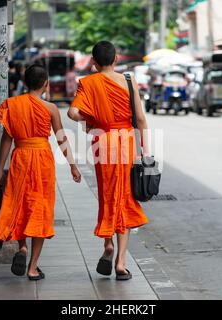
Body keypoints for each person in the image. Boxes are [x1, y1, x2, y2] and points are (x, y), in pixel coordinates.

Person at [68, 41, 149, 281]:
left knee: (107, 194)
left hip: (102, 143)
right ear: (115, 60)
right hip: (126, 143)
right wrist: (145, 152)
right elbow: (141, 120)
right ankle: (121, 263)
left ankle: (108, 244)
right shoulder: (128, 81)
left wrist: (92, 121)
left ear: (93, 62)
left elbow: (73, 113)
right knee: (124, 197)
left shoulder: (88, 83)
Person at [0, 64, 81, 281]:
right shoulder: (51, 108)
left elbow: (7, 139)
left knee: (19, 204)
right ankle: (33, 268)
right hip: (42, 160)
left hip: (20, 157)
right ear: (46, 84)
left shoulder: (11, 104)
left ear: (24, 82)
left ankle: (22, 248)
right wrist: (72, 165)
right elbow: (61, 137)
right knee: (39, 209)